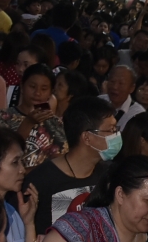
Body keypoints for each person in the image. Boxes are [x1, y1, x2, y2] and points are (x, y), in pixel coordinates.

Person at [24, 96, 117, 234]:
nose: (116, 135)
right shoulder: (40, 181)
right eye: (111, 130)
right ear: (87, 137)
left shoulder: (111, 175)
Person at [0, 63, 68, 168]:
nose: (37, 93)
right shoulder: (1, 117)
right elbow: (1, 154)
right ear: (22, 87)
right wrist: (28, 123)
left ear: (51, 93)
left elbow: (60, 162)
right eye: (32, 87)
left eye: (44, 89)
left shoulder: (56, 124)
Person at [101, 64, 144, 130]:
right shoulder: (98, 102)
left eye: (121, 83)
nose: (115, 87)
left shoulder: (138, 114)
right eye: (112, 81)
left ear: (132, 88)